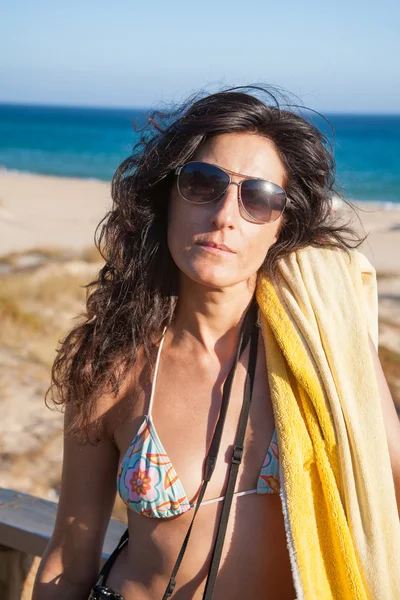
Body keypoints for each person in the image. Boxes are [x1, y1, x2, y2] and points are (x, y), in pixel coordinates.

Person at [32, 86, 400, 600]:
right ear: (167, 199)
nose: (226, 214)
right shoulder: (112, 363)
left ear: (282, 227)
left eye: (259, 197)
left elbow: (392, 484)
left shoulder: (325, 349)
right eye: (203, 183)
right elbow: (70, 558)